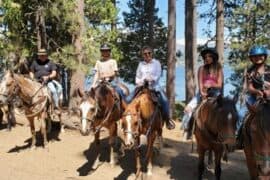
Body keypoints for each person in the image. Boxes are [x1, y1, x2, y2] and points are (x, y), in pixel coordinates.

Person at [126, 46, 175, 130]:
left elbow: (158, 74)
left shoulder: (156, 63)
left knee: (165, 100)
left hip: (154, 86)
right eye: (145, 54)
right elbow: (137, 76)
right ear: (143, 55)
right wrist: (139, 82)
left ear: (152, 54)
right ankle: (127, 120)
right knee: (128, 99)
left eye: (149, 53)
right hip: (142, 87)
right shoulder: (141, 64)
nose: (147, 55)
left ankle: (167, 120)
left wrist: (151, 79)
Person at [181, 48, 223, 140]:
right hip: (202, 92)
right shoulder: (201, 68)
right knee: (188, 108)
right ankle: (187, 129)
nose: (207, 58)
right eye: (205, 56)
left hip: (215, 93)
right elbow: (200, 83)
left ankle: (225, 133)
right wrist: (202, 93)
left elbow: (219, 84)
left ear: (214, 57)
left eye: (209, 56)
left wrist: (210, 84)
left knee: (225, 110)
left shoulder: (218, 68)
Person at [236, 45, 270, 147]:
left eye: (260, 56)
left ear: (264, 56)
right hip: (254, 97)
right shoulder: (250, 71)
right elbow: (249, 87)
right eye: (255, 56)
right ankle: (238, 137)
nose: (258, 58)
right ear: (251, 58)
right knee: (240, 114)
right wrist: (257, 91)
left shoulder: (269, 69)